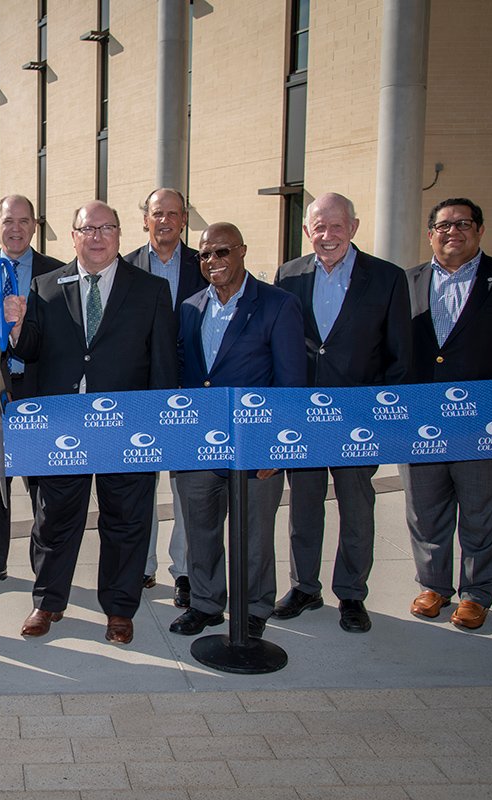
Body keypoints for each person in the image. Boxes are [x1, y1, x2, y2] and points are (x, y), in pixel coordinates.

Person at [10, 200, 179, 646]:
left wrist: (159, 426)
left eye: (107, 228)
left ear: (120, 234)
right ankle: (47, 601)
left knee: (126, 520)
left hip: (128, 428)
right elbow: (30, 351)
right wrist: (16, 327)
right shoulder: (46, 286)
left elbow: (163, 364)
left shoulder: (150, 290)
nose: (98, 237)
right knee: (54, 519)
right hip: (63, 427)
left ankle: (120, 610)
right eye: (88, 229)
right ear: (73, 236)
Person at [402, 197, 492, 630]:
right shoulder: (406, 282)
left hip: (488, 422)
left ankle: (476, 594)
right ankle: (433, 586)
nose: (453, 232)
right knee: (425, 510)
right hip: (422, 419)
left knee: (485, 513)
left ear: (480, 230)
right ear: (430, 234)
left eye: (463, 224)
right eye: (444, 226)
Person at [273, 193, 411, 633]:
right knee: (304, 507)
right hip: (304, 417)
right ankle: (304, 587)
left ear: (353, 227)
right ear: (307, 230)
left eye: (337, 226)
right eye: (319, 226)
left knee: (356, 508)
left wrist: (385, 415)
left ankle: (352, 594)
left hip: (359, 417)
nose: (328, 235)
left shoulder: (387, 278)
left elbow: (399, 355)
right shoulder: (289, 275)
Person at [170, 223, 303, 639]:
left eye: (222, 251)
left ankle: (254, 607)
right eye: (205, 254)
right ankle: (206, 603)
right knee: (200, 530)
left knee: (255, 534)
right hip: (199, 444)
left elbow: (291, 384)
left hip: (255, 445)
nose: (213, 261)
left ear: (242, 251)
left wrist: (277, 447)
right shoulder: (190, 307)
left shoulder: (278, 305)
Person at [0, 194, 64, 595]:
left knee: (42, 485)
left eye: (24, 221)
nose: (16, 229)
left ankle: (43, 567)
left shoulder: (56, 272)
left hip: (39, 390)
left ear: (34, 226)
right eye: (8, 220)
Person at [123, 187, 208, 607]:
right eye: (158, 213)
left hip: (190, 389)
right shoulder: (125, 266)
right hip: (141, 391)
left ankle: (185, 571)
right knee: (142, 483)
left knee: (186, 488)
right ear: (145, 220)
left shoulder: (203, 265)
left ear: (184, 220)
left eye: (174, 214)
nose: (165, 221)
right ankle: (142, 564)